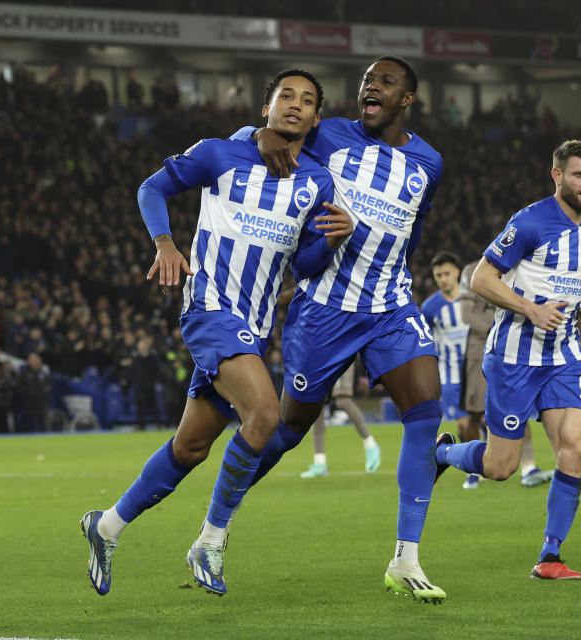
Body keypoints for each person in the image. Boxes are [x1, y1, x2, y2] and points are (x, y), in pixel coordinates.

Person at [80, 68, 353, 596]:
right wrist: (164, 244)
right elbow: (152, 188)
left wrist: (336, 239)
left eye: (307, 101)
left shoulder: (317, 181)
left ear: (317, 117)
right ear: (265, 106)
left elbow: (307, 265)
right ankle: (210, 539)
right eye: (285, 96)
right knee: (267, 414)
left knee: (191, 447)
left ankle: (106, 525)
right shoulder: (219, 153)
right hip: (208, 308)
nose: (294, 105)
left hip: (252, 325)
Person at [237, 56, 447, 603]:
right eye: (367, 82)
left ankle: (406, 558)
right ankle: (219, 517)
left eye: (385, 82)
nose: (371, 87)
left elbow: (416, 226)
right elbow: (271, 133)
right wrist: (258, 134)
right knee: (289, 430)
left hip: (390, 308)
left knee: (426, 413)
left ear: (407, 99)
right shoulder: (328, 134)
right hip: (324, 309)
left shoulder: (429, 162)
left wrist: (391, 269)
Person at [433, 139, 581, 580]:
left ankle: (550, 555)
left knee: (576, 449)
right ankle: (444, 455)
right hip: (513, 357)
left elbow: (579, 276)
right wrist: (530, 309)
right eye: (578, 175)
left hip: (563, 356)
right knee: (500, 467)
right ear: (557, 176)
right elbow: (481, 278)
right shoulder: (529, 222)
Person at [456, 260, 554, 490]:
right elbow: (467, 316)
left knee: (516, 409)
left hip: (513, 349)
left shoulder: (525, 268)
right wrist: (498, 328)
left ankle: (529, 467)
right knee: (474, 414)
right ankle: (472, 469)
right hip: (479, 349)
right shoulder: (471, 271)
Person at [298, 360, 381, 477]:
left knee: (342, 400)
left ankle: (371, 445)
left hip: (343, 353)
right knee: (316, 401)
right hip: (321, 357)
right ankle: (319, 462)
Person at [421, 252, 470, 424]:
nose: (443, 279)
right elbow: (426, 342)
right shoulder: (429, 308)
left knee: (487, 423)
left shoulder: (473, 298)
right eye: (438, 275)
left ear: (457, 272)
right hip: (449, 375)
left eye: (446, 274)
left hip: (476, 372)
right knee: (464, 426)